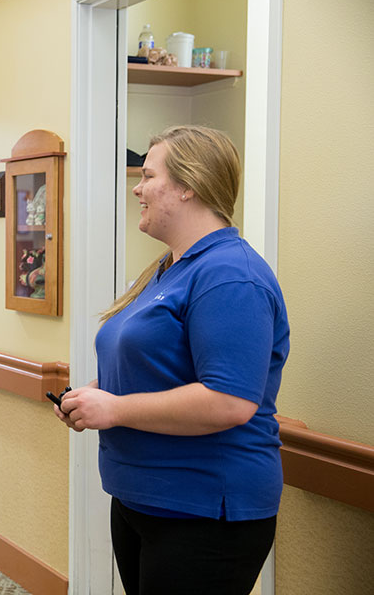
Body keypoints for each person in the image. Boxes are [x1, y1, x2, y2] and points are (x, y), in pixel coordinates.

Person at [54, 125, 289, 595]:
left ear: (187, 186)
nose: (137, 188)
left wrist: (114, 409)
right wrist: (95, 395)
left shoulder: (230, 276)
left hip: (204, 510)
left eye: (148, 175)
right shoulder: (169, 268)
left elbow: (229, 400)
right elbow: (156, 365)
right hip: (143, 498)